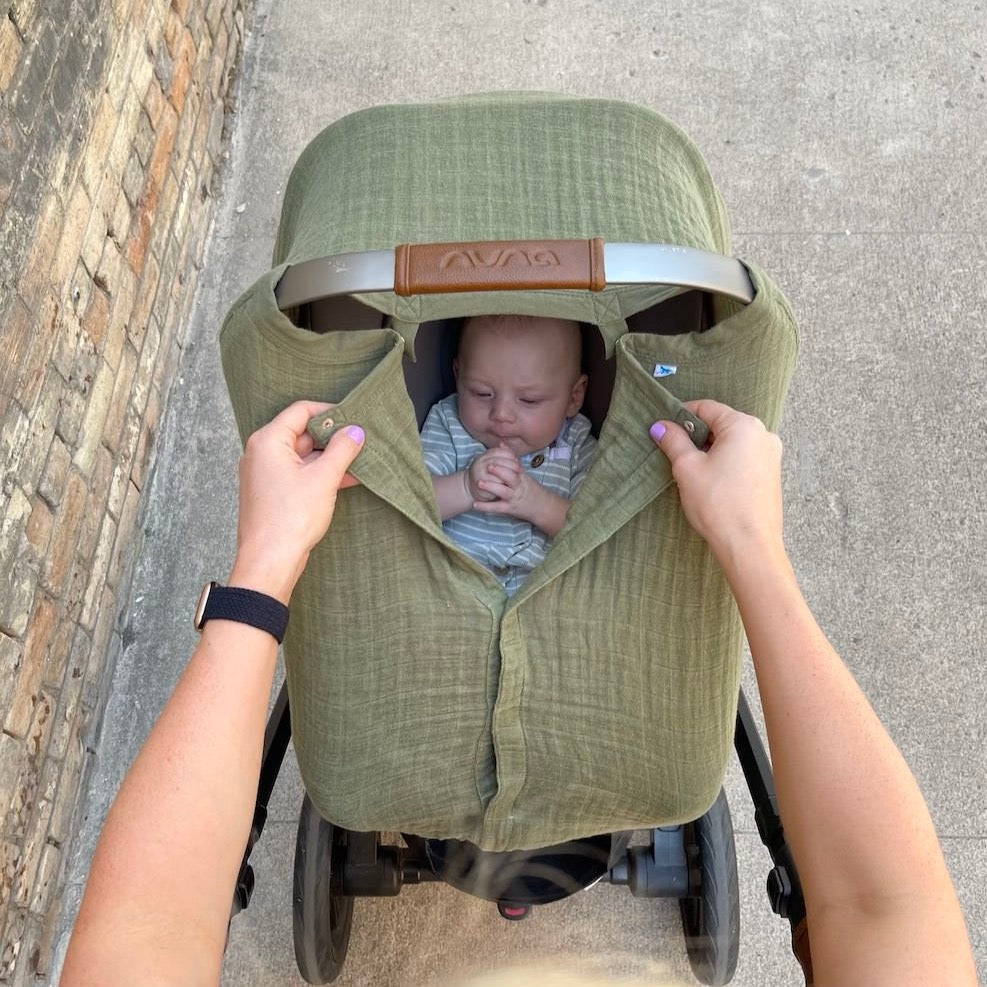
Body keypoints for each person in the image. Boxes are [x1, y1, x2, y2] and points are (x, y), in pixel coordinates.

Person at [60, 399, 977, 987]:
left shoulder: (569, 447)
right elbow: (882, 910)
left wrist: (265, 562)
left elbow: (148, 925)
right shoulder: (455, 434)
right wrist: (751, 554)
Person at [421, 314, 595, 595]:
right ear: (458, 376)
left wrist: (537, 504)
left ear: (573, 397)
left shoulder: (576, 442)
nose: (501, 415)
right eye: (481, 393)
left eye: (529, 400)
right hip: (455, 586)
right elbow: (411, 502)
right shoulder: (449, 422)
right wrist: (466, 486)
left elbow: (594, 528)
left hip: (545, 591)